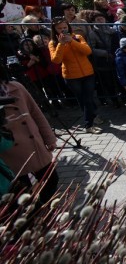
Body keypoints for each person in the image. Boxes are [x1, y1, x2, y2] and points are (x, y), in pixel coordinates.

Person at [0, 63, 59, 204]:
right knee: (21, 191)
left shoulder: (16, 87)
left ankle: (44, 206)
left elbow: (35, 113)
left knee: (51, 179)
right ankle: (34, 215)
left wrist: (49, 138)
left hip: (33, 145)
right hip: (10, 152)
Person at [48, 17, 103, 133]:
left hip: (87, 73)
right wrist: (61, 44)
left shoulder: (77, 37)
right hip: (71, 76)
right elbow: (56, 60)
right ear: (54, 30)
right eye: (59, 28)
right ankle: (92, 117)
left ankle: (89, 125)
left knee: (88, 98)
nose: (63, 30)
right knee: (82, 99)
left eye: (64, 27)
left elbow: (87, 51)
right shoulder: (53, 43)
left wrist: (71, 41)